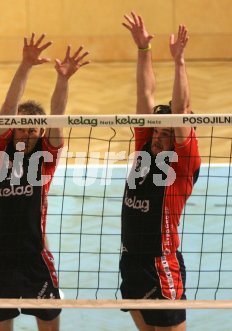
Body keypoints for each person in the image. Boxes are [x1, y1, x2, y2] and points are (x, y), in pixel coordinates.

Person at [0, 33, 89, 331]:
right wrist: (25, 65)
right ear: (11, 130)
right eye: (21, 128)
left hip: (35, 260)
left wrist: (63, 79)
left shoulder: (45, 158)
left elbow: (57, 116)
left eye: (33, 130)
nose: (27, 133)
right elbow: (6, 111)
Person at [120, 12, 201, 331]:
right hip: (130, 260)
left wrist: (179, 61)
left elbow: (181, 111)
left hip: (160, 260)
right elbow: (146, 97)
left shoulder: (183, 162)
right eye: (157, 131)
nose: (158, 136)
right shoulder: (146, 145)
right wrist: (143, 51)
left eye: (166, 133)